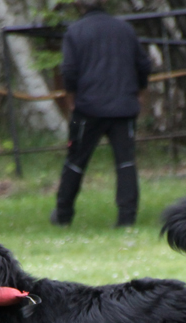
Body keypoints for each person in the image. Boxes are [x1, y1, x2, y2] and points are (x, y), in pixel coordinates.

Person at [50, 0, 151, 228]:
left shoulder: (75, 31)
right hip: (124, 106)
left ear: (78, 4)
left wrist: (71, 99)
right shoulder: (124, 29)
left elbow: (69, 70)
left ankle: (63, 214)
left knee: (75, 161)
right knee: (125, 162)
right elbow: (144, 64)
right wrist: (140, 91)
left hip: (88, 108)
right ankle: (127, 218)